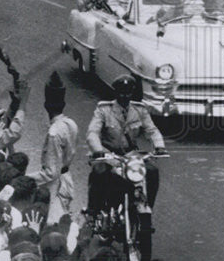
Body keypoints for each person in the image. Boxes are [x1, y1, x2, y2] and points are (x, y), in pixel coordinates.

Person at [86, 75, 168, 214]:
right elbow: (92, 133)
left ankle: (147, 206)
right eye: (121, 93)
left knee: (152, 171)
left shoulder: (139, 110)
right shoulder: (104, 109)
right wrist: (99, 150)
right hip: (108, 154)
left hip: (131, 156)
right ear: (116, 93)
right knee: (99, 173)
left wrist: (159, 146)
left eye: (128, 93)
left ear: (132, 93)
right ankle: (93, 212)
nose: (125, 96)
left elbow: (152, 130)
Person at [31, 71, 79, 224]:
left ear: (46, 105)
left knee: (52, 225)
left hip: (54, 188)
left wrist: (26, 178)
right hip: (67, 180)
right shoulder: (71, 124)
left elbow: (51, 173)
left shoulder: (54, 132)